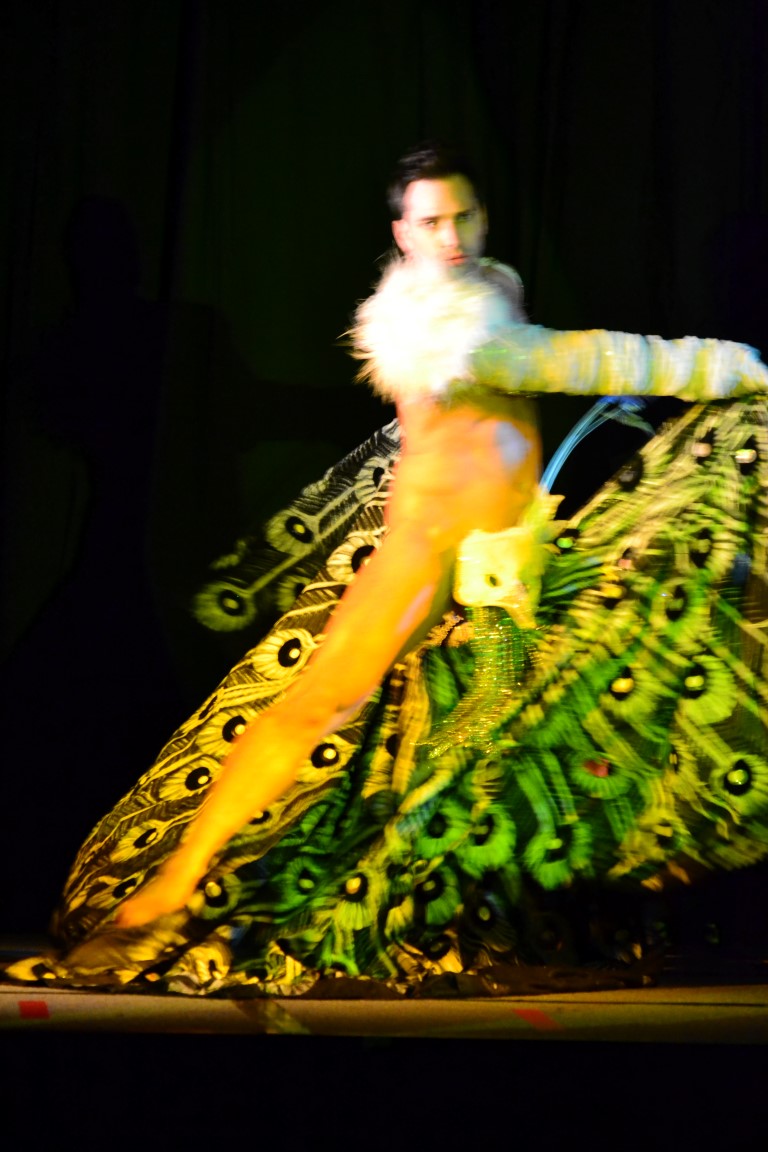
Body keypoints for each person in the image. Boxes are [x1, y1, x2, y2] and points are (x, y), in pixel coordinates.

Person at [8, 144, 768, 993]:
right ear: (402, 232)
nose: (452, 237)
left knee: (516, 737)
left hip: (500, 565)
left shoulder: (489, 291)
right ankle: (162, 900)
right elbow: (583, 359)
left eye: (464, 217)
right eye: (432, 222)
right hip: (428, 553)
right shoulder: (450, 332)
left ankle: (492, 915)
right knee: (318, 708)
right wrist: (735, 367)